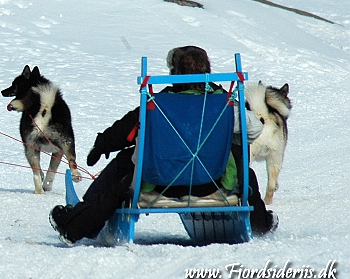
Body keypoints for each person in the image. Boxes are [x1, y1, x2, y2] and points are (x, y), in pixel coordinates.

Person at [50, 46, 278, 245]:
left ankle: (76, 225)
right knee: (245, 173)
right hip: (212, 183)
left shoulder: (157, 104)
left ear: (174, 74)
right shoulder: (226, 104)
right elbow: (255, 129)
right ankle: (260, 223)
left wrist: (101, 145)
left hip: (160, 183)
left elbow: (123, 132)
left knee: (122, 175)